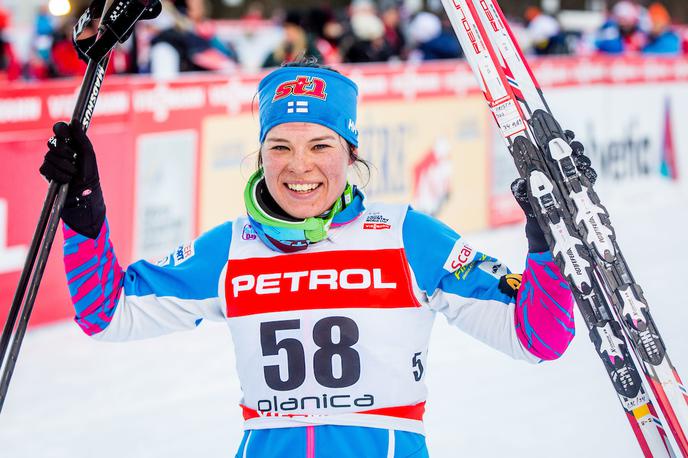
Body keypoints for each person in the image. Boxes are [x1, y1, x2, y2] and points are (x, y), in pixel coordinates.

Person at [39, 60, 583, 457]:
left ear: (350, 151)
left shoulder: (406, 237)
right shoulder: (229, 249)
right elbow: (106, 313)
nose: (299, 167)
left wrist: (545, 245)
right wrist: (84, 211)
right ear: (260, 153)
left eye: (320, 146)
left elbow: (537, 337)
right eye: (280, 147)